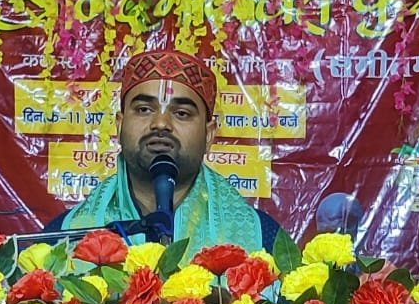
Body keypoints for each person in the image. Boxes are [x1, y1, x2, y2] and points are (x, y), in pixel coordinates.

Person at [50, 49, 284, 252]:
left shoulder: (265, 239)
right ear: (119, 125)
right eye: (144, 109)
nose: (161, 123)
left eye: (182, 113)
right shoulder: (61, 240)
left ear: (209, 134)